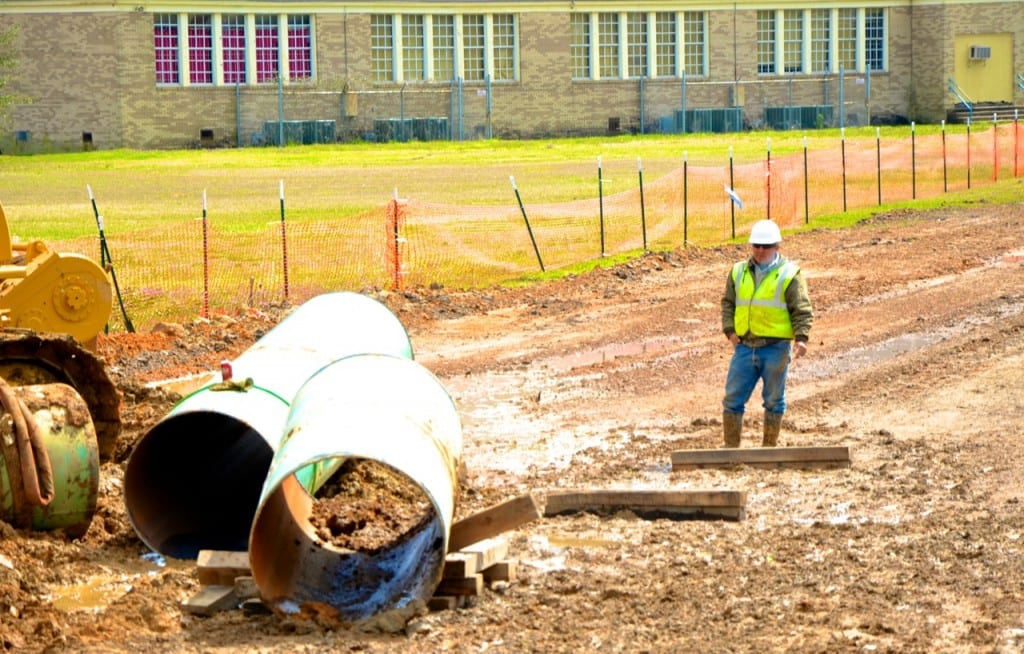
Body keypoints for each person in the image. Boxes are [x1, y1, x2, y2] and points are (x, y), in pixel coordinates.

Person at [720, 219, 813, 447]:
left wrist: (801, 338)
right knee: (732, 398)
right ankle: (731, 449)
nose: (760, 251)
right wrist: (730, 332)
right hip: (744, 346)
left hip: (776, 348)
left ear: (777, 247)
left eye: (766, 246)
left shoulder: (789, 274)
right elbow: (728, 303)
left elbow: (801, 308)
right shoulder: (738, 271)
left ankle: (769, 448)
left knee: (773, 400)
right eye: (756, 246)